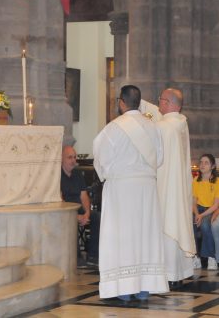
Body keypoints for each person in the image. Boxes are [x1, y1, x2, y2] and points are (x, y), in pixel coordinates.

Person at [92, 85, 168, 301]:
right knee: (145, 236)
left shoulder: (113, 128)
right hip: (147, 189)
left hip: (122, 190)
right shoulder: (153, 127)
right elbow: (159, 158)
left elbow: (101, 161)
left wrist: (108, 173)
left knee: (123, 237)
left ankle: (125, 289)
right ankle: (144, 287)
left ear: (121, 102)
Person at [156, 88, 196, 286]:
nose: (158, 103)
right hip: (178, 185)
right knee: (177, 224)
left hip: (166, 186)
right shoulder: (181, 123)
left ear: (170, 103)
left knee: (168, 227)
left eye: (161, 100)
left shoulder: (164, 127)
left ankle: (170, 274)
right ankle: (180, 273)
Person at [60, 145, 100, 266]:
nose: (73, 160)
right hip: (66, 211)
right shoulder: (57, 175)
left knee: (97, 217)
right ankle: (76, 257)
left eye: (74, 157)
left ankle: (93, 255)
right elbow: (60, 200)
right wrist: (76, 216)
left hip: (80, 209)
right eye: (69, 157)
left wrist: (87, 213)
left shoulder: (77, 174)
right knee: (69, 219)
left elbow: (84, 196)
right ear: (61, 159)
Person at [193, 154, 219, 270]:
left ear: (213, 166)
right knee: (190, 224)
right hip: (198, 210)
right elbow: (193, 201)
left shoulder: (218, 181)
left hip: (210, 210)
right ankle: (195, 257)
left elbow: (216, 205)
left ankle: (211, 257)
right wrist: (196, 214)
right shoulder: (196, 180)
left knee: (205, 225)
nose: (202, 165)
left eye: (206, 163)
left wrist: (201, 215)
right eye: (201, 162)